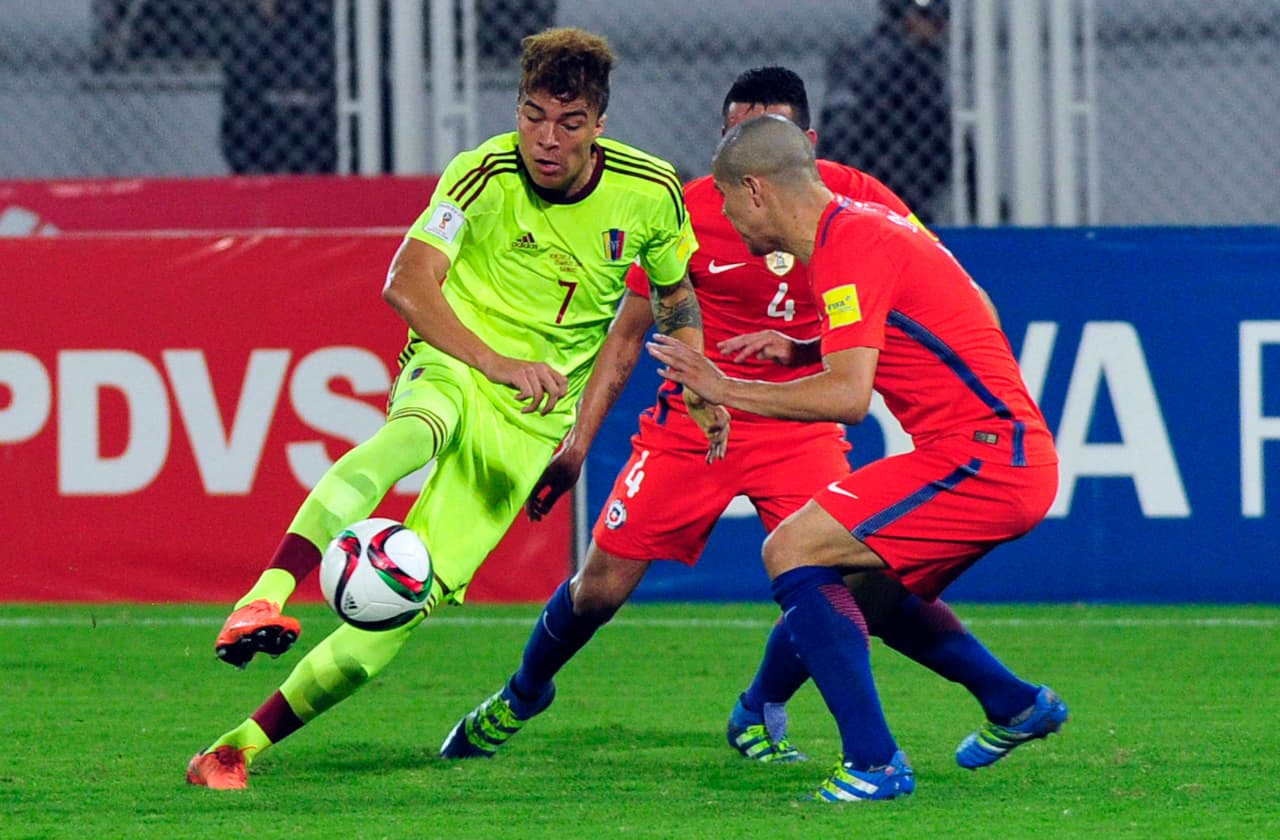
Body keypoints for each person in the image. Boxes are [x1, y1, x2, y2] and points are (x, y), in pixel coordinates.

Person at [437, 66, 1054, 779]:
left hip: (803, 421)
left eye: (760, 136)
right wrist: (578, 444)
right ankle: (521, 695)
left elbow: (953, 295)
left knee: (838, 572)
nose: (741, 156)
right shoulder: (690, 210)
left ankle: (782, 716)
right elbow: (629, 334)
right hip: (693, 424)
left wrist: (797, 357)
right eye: (733, 133)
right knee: (600, 588)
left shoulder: (860, 205)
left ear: (801, 147)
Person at [186, 26, 725, 790]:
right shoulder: (480, 174)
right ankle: (263, 595)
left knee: (400, 609)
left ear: (599, 125)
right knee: (412, 433)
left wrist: (696, 384)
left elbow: (673, 297)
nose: (545, 139)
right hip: (459, 357)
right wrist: (495, 360)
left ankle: (235, 749)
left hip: (529, 422)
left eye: (568, 124)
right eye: (533, 115)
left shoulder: (651, 193)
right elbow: (406, 285)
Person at [647, 113, 1067, 802]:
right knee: (867, 589)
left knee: (792, 549)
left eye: (723, 199)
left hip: (986, 460)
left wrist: (724, 386)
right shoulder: (862, 229)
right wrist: (807, 350)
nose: (720, 215)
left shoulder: (850, 245)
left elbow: (847, 398)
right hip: (995, 453)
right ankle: (1015, 703)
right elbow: (966, 308)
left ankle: (874, 763)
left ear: (754, 189)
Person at [819, 0, 951, 223]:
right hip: (896, 182)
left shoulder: (861, 53)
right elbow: (934, 136)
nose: (940, 26)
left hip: (861, 185)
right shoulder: (911, 60)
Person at [219, 0, 338, 174]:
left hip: (320, 164)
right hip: (263, 163)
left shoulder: (325, 38)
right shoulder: (248, 46)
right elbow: (234, 131)